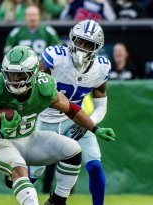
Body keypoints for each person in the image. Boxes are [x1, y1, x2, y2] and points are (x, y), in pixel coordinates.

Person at [0, 45, 115, 205]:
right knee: (19, 169)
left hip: (28, 138)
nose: (14, 80)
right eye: (10, 74)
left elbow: (71, 109)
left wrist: (95, 128)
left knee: (73, 150)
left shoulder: (43, 86)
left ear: (33, 74)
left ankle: (57, 201)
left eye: (19, 75)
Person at [36, 20, 114, 205]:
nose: (82, 48)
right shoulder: (55, 56)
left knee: (94, 165)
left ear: (97, 48)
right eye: (79, 41)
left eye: (88, 44)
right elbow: (33, 89)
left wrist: (90, 124)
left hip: (76, 121)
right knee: (33, 172)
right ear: (72, 39)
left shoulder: (101, 67)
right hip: (45, 118)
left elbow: (101, 105)